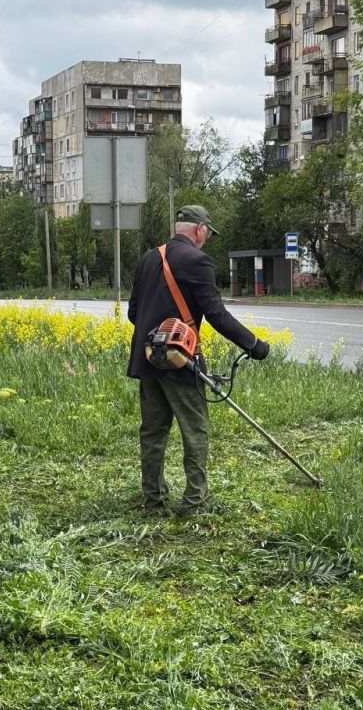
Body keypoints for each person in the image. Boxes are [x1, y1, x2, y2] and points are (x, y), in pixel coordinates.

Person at [127, 205, 270, 515]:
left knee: (152, 431)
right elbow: (216, 314)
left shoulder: (148, 259)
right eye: (207, 232)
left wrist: (158, 333)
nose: (207, 238)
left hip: (149, 357)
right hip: (181, 362)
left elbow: (133, 314)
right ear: (199, 229)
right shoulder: (198, 261)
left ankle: (153, 498)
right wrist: (254, 344)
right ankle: (195, 501)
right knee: (195, 429)